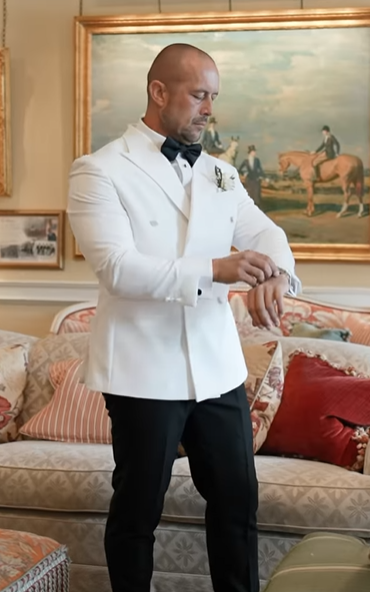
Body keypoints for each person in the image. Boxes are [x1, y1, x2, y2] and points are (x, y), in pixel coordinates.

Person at [67, 43, 300, 592]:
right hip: (142, 372)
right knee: (137, 514)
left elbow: (267, 233)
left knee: (238, 506)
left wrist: (275, 275)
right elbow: (118, 268)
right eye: (199, 95)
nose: (208, 109)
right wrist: (218, 268)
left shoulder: (221, 172)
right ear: (158, 92)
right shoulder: (98, 170)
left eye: (213, 97)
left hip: (218, 370)